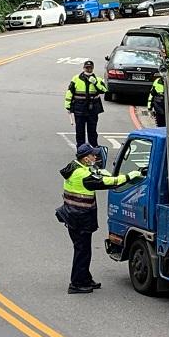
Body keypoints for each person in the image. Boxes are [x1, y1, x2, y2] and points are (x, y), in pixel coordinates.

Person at [55, 143, 145, 293]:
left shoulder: (74, 166)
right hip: (80, 219)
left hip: (73, 216)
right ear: (84, 158)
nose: (95, 157)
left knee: (84, 250)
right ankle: (76, 283)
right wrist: (130, 176)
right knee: (82, 251)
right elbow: (108, 183)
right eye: (92, 155)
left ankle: (85, 278)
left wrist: (96, 170)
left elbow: (91, 173)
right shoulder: (83, 176)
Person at [65, 60, 107, 148]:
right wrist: (68, 105)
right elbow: (70, 92)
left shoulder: (98, 79)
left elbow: (104, 90)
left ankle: (93, 150)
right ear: (84, 68)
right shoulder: (76, 79)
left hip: (93, 110)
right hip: (79, 109)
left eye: (90, 68)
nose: (88, 69)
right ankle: (81, 150)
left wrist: (95, 83)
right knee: (80, 131)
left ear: (93, 68)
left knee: (92, 131)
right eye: (87, 67)